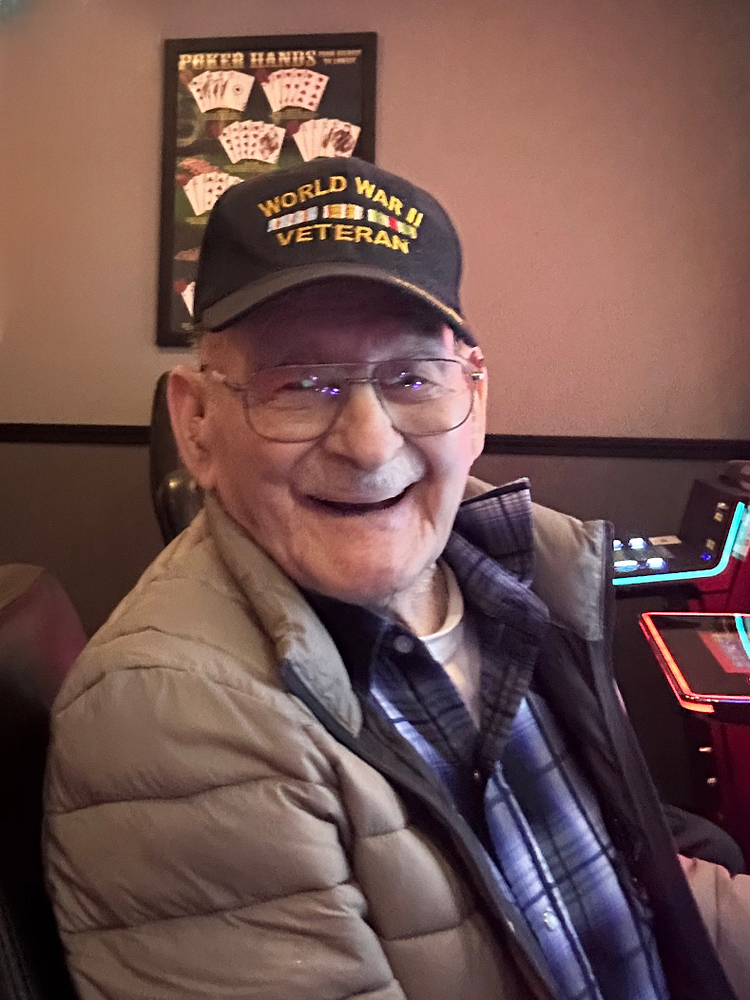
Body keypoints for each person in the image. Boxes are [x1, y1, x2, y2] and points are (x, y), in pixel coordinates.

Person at [43, 157, 750, 1000]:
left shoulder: (523, 582)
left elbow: (628, 893)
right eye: (301, 384)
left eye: (412, 377)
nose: (369, 443)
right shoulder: (169, 717)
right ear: (197, 422)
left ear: (475, 399)